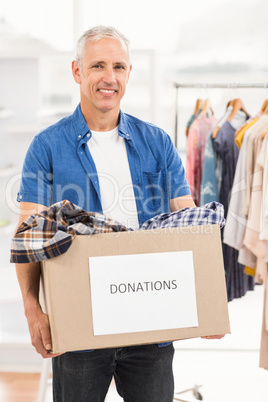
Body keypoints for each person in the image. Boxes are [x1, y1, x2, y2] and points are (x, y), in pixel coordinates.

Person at [14, 25, 223, 402]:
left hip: (150, 323)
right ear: (77, 71)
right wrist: (33, 309)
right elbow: (26, 237)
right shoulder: (47, 146)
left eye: (119, 67)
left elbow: (188, 222)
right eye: (97, 66)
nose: (109, 77)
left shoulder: (157, 142)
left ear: (129, 74)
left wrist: (205, 301)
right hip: (79, 322)